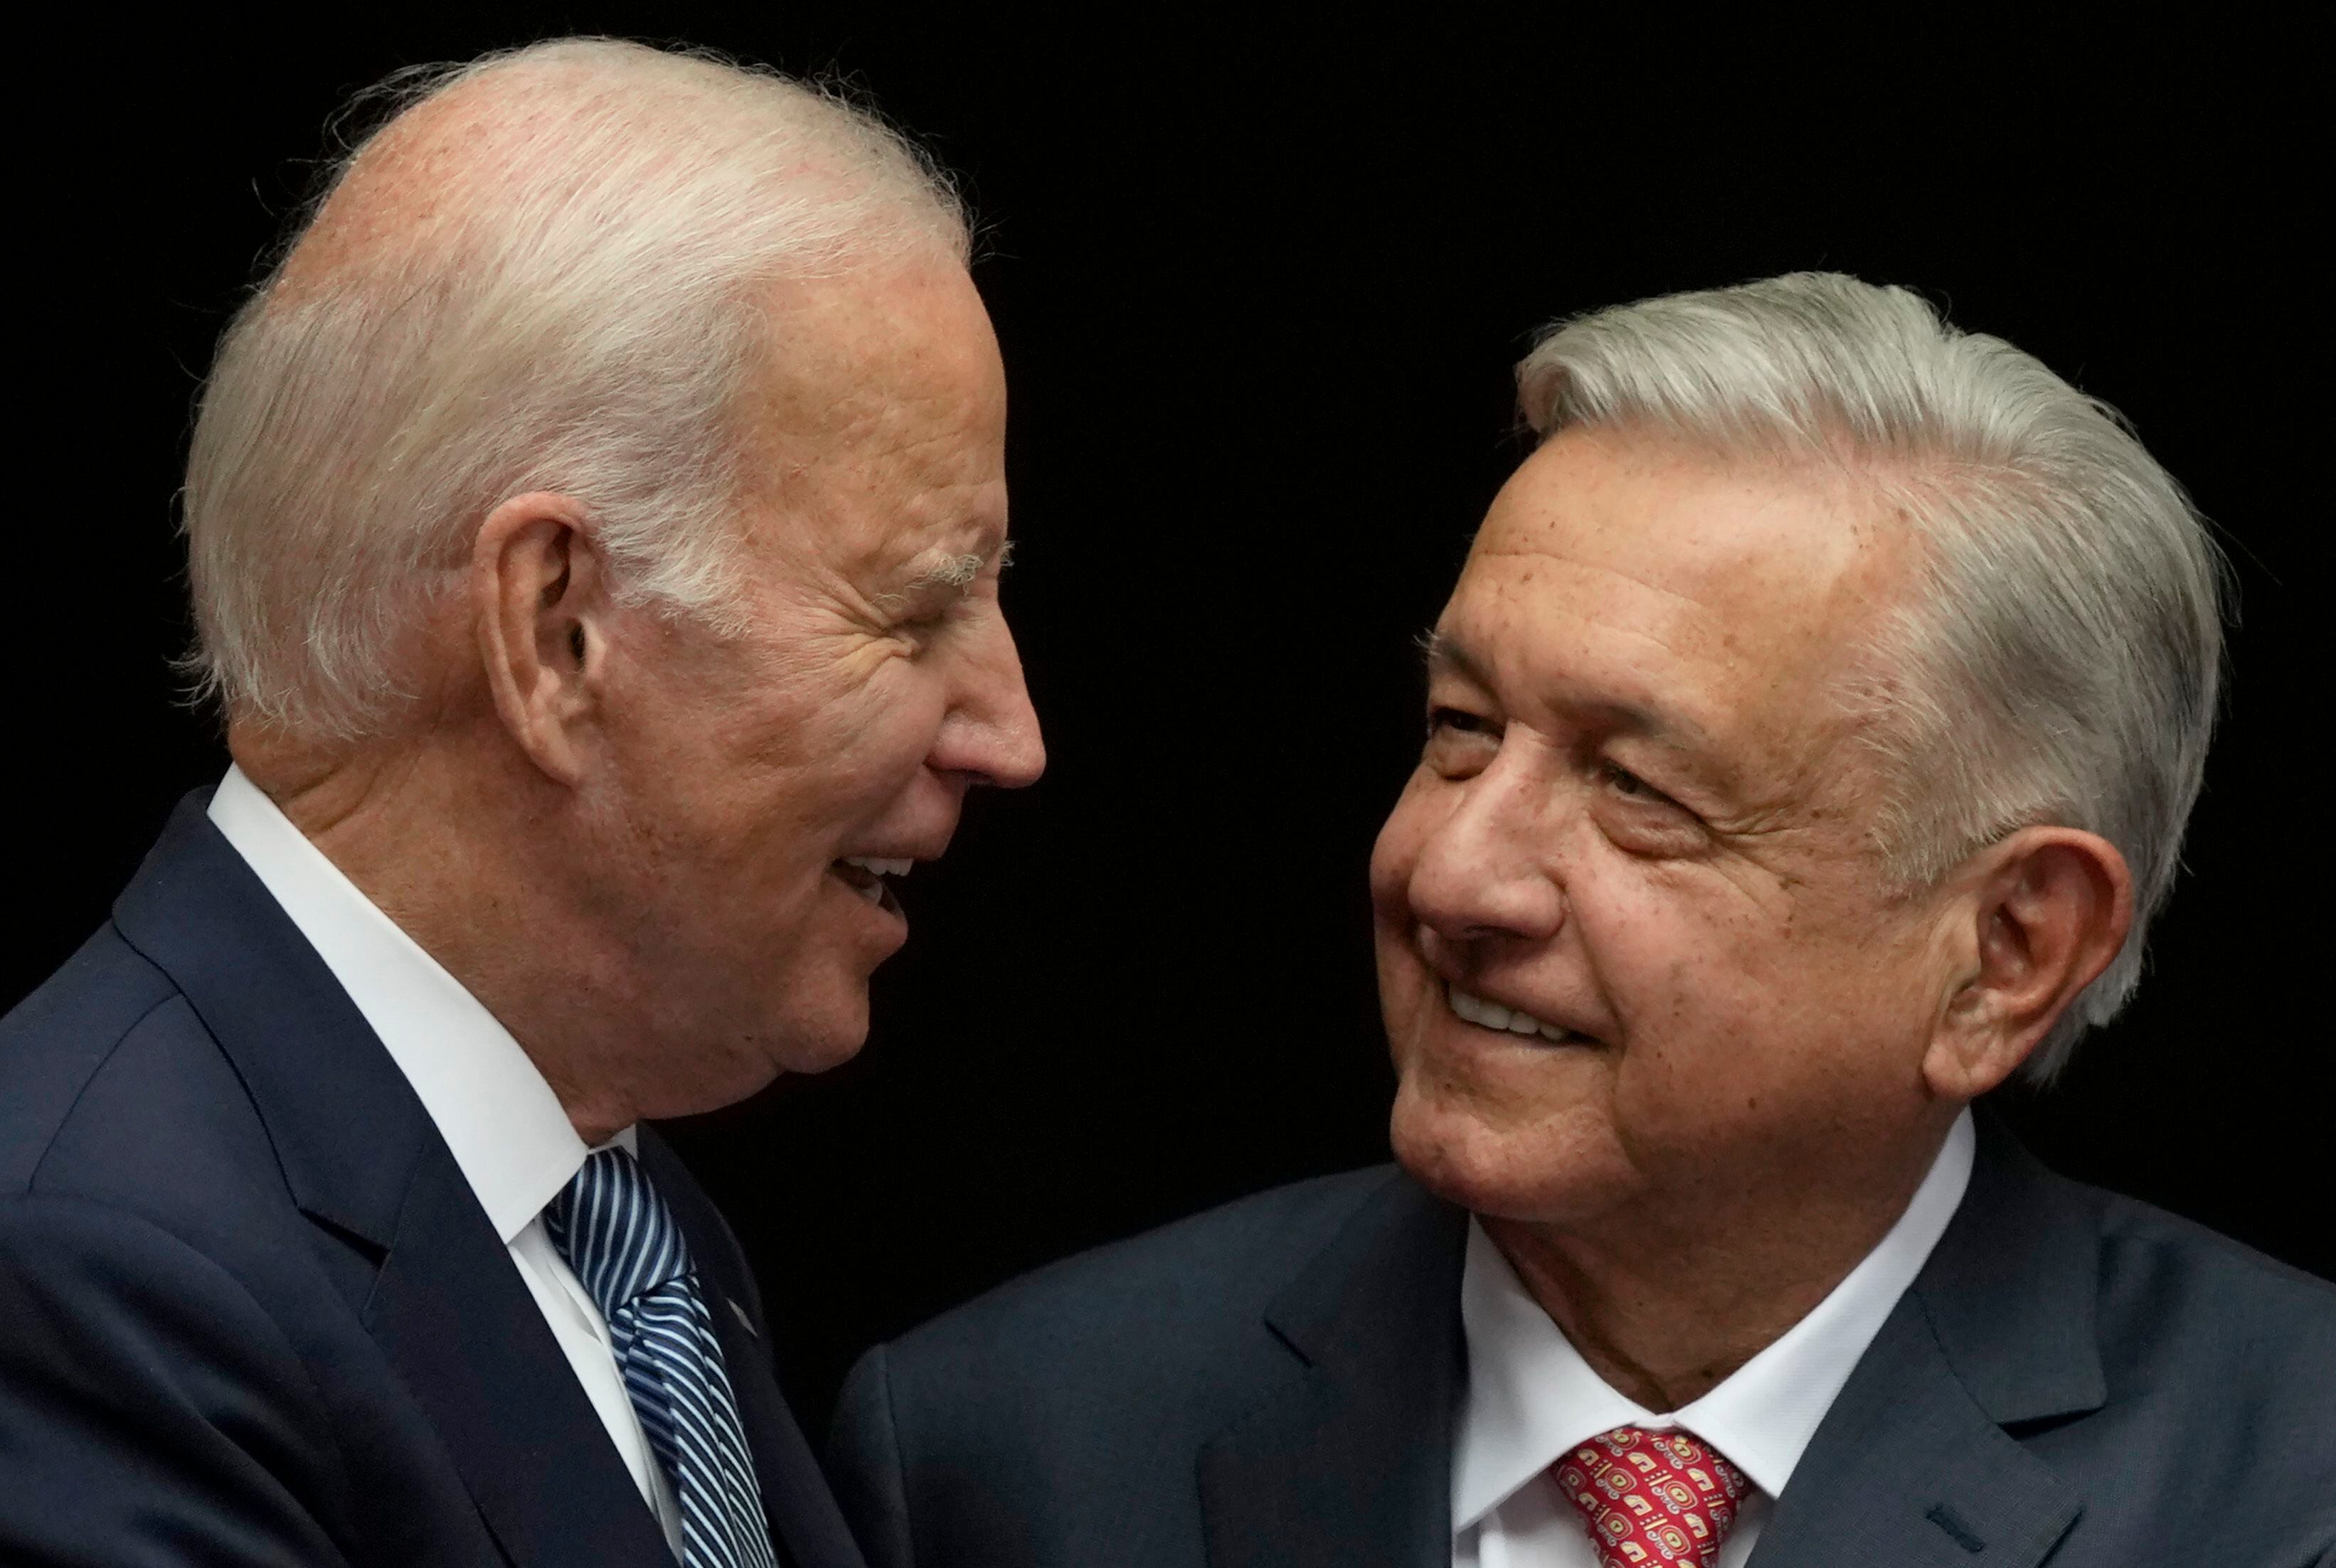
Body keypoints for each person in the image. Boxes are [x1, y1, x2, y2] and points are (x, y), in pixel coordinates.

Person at [823, 273, 2336, 1568]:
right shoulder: (1016, 1453)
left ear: (2007, 948)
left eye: (1636, 787)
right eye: (1461, 727)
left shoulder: (2286, 1481)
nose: (1452, 874)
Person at [0, 38, 1041, 1568]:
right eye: (912, 608)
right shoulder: (91, 1279)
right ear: (556, 629)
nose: (1009, 730)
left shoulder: (614, 1211)